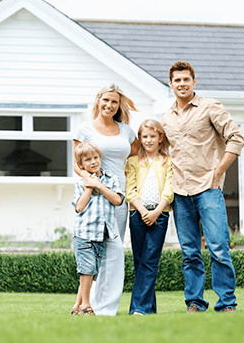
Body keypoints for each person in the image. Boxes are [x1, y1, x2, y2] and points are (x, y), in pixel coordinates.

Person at [160, 61, 244, 313]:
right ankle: (195, 302)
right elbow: (161, 152)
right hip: (180, 192)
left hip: (208, 189)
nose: (182, 84)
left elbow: (236, 138)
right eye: (177, 80)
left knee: (218, 247)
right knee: (189, 252)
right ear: (171, 84)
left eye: (186, 79)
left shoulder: (210, 107)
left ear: (194, 82)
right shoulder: (166, 118)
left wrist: (219, 171)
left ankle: (227, 303)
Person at [72, 83, 139, 316]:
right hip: (92, 197)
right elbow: (76, 164)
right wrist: (91, 181)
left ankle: (105, 307)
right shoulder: (84, 129)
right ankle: (84, 304)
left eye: (114, 102)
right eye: (106, 100)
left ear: (119, 106)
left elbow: (137, 158)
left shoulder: (127, 131)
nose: (109, 105)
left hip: (117, 197)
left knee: (113, 250)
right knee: (91, 249)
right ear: (98, 101)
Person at [125, 119, 174, 315]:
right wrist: (144, 212)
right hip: (137, 214)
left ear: (160, 138)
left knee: (150, 261)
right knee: (140, 262)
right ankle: (149, 308)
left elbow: (169, 190)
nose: (148, 140)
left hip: (159, 215)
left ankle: (139, 308)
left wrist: (155, 212)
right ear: (140, 138)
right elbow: (130, 190)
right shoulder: (133, 162)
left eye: (153, 136)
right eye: (144, 137)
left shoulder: (168, 162)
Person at [70, 141, 124, 316]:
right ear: (81, 165)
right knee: (86, 269)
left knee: (91, 272)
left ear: (100, 158)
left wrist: (99, 186)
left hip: (102, 234)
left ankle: (76, 306)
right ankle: (86, 305)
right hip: (84, 233)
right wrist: (89, 186)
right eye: (88, 160)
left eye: (96, 158)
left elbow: (117, 200)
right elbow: (79, 207)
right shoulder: (80, 183)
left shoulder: (111, 179)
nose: (93, 162)